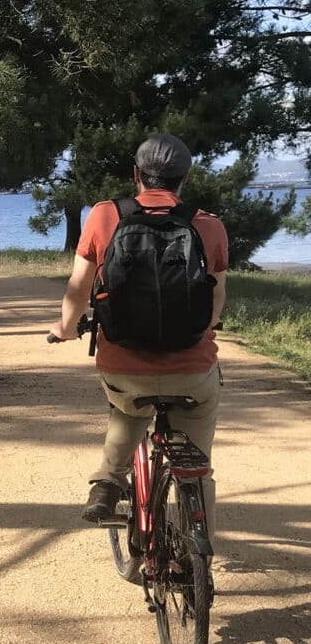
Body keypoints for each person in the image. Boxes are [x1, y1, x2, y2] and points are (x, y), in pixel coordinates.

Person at [48, 134, 229, 537]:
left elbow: (79, 288)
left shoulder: (103, 216)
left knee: (129, 409)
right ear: (186, 178)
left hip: (124, 366)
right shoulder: (209, 226)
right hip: (192, 370)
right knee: (198, 463)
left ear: (136, 174)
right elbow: (214, 306)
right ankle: (196, 559)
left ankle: (108, 481)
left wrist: (64, 328)